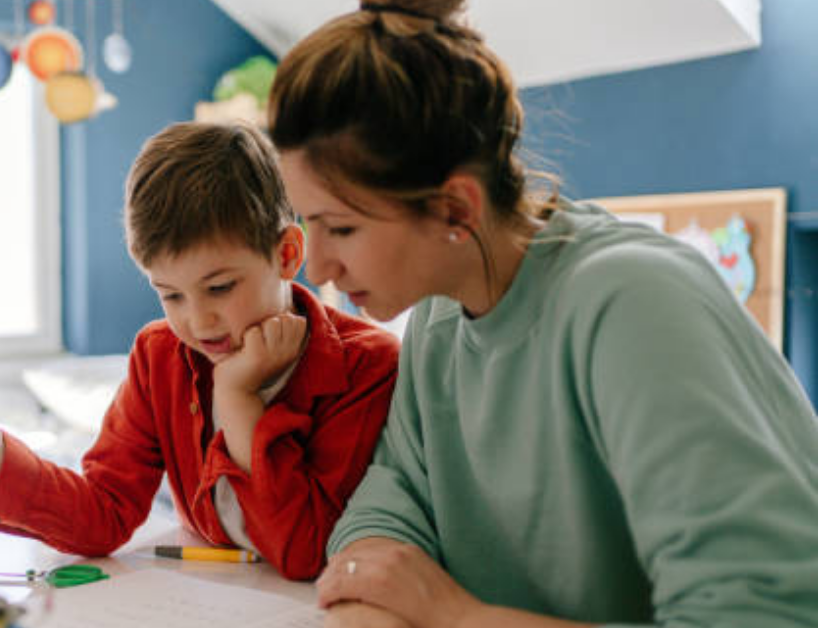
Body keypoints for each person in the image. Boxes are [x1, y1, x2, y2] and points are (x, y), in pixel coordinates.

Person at [268, 0, 818, 626]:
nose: (319, 270)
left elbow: (763, 615)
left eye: (340, 226)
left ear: (455, 210)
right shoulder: (439, 321)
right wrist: (371, 582)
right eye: (310, 225)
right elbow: (393, 496)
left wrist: (456, 615)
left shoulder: (634, 306)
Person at [0, 122, 399, 580]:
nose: (198, 321)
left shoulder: (368, 365)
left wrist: (237, 400)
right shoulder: (159, 354)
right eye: (170, 295)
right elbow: (105, 514)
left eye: (221, 287)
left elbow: (305, 553)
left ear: (288, 254)